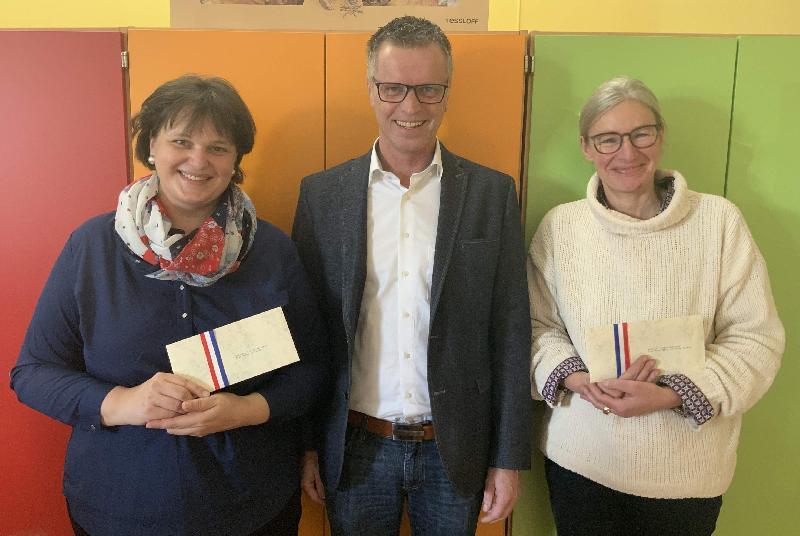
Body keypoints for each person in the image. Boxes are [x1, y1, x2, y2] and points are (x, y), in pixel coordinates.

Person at [10, 75, 328, 536]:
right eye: (181, 141)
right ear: (152, 145)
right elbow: (33, 373)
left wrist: (249, 408)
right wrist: (123, 402)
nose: (198, 160)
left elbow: (314, 368)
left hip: (253, 507)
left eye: (218, 147)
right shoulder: (92, 246)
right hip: (118, 506)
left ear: (236, 159)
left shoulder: (272, 250)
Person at [292, 15, 532, 535]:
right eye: (393, 87)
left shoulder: (492, 195)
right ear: (371, 89)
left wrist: (508, 458)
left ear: (446, 93)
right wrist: (309, 444)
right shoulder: (322, 196)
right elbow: (308, 335)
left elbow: (511, 333)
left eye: (427, 89)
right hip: (353, 448)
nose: (410, 106)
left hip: (455, 452)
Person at [528, 76, 785, 536]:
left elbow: (757, 340)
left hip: (688, 476)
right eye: (608, 139)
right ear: (586, 147)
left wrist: (672, 394)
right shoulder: (560, 228)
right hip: (582, 464)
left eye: (640, 134)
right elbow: (536, 327)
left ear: (660, 135)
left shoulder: (719, 223)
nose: (626, 154)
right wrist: (578, 379)